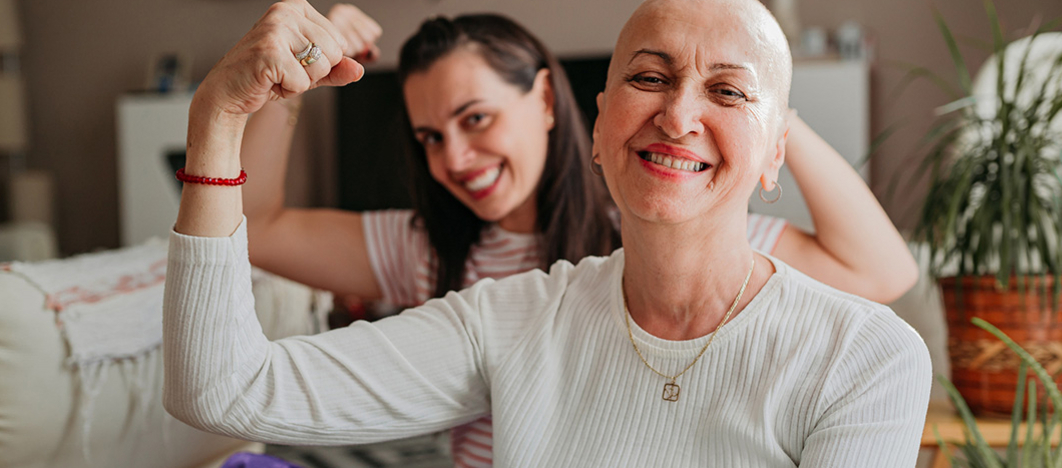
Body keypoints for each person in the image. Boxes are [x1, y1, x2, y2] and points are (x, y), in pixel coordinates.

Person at [164, 0, 933, 465]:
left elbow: (880, 268)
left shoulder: (864, 357)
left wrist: (763, 113)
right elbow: (223, 389)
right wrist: (219, 120)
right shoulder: (503, 313)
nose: (678, 114)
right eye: (649, 77)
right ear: (597, 128)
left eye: (726, 90)